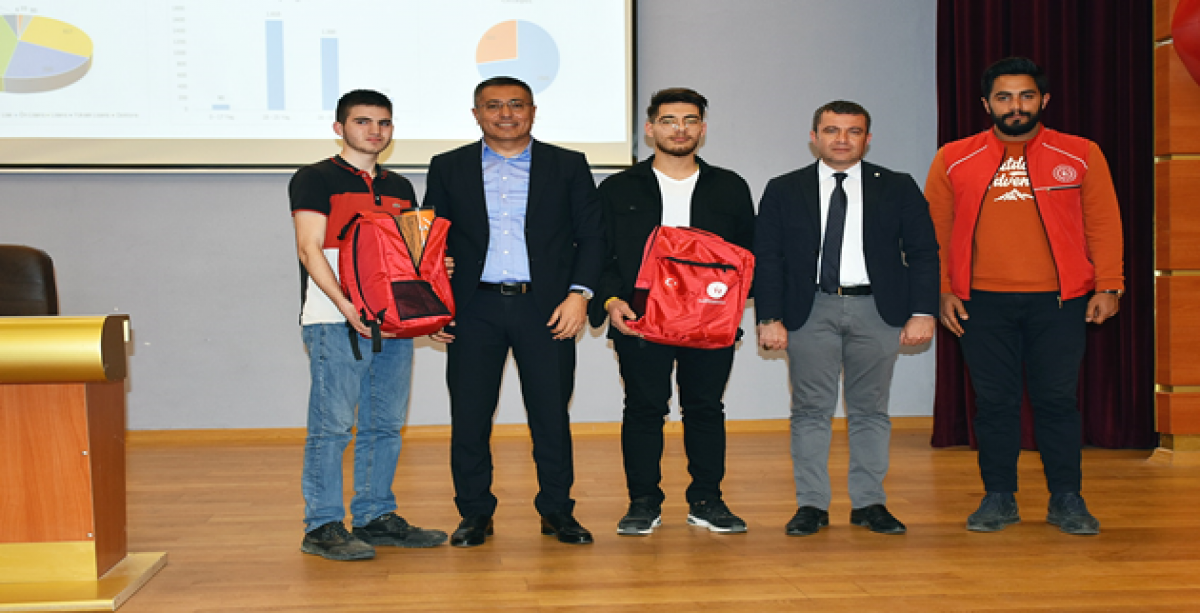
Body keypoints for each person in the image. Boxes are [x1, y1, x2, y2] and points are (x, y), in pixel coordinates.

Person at [925, 57, 1124, 536]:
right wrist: (943, 290)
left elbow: (1103, 221)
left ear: (1044, 100)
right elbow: (936, 231)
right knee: (994, 402)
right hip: (980, 303)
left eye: (1026, 96)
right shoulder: (953, 157)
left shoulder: (1082, 153)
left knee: (1057, 400)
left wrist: (1109, 284)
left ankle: (1067, 498)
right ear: (986, 104)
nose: (1016, 106)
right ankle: (998, 497)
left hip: (1060, 302)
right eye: (1004, 97)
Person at [425, 76, 605, 547]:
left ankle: (557, 511)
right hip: (472, 308)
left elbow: (592, 236)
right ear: (476, 114)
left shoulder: (567, 165)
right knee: (470, 416)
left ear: (532, 111)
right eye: (493, 106)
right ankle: (474, 514)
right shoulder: (448, 166)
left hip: (547, 308)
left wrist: (580, 295)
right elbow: (427, 241)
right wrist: (434, 305)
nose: (505, 114)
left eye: (516, 104)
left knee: (551, 415)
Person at [755, 100, 939, 537]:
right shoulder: (784, 188)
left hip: (877, 310)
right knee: (810, 410)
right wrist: (769, 316)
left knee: (870, 410)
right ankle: (812, 505)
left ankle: (869, 503)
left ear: (867, 139)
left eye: (853, 131)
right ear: (814, 137)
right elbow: (768, 257)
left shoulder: (897, 186)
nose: (842, 139)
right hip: (809, 310)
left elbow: (923, 252)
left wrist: (922, 312)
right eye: (831, 130)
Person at [589, 88, 756, 536]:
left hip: (710, 324)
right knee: (644, 410)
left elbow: (749, 256)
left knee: (705, 409)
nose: (679, 129)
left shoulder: (730, 187)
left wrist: (731, 309)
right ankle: (643, 502)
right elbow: (599, 254)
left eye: (689, 120)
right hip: (641, 322)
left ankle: (707, 501)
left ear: (702, 128)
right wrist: (611, 301)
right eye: (668, 120)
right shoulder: (618, 188)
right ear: (650, 129)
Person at [289, 89, 448, 561]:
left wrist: (424, 314)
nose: (374, 131)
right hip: (334, 319)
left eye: (383, 122)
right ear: (339, 128)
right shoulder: (315, 178)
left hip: (392, 323)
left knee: (385, 425)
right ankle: (321, 526)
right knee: (333, 427)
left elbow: (411, 260)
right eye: (363, 121)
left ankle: (376, 517)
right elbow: (309, 248)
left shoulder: (401, 187)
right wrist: (346, 306)